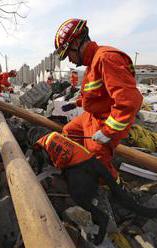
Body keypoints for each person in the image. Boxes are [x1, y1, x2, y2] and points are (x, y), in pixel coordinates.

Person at [27, 127, 157, 245]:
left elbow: (55, 159)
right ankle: (132, 206)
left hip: (81, 167)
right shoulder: (54, 136)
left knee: (78, 197)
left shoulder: (45, 142)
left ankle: (102, 218)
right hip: (90, 161)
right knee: (114, 190)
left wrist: (49, 168)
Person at [54, 18, 143, 179]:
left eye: (69, 54)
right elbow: (97, 94)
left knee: (98, 159)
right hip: (91, 116)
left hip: (105, 120)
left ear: (76, 43)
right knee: (69, 132)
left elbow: (130, 101)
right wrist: (77, 103)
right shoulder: (93, 62)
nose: (69, 59)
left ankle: (112, 191)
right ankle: (81, 166)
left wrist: (108, 131)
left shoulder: (106, 58)